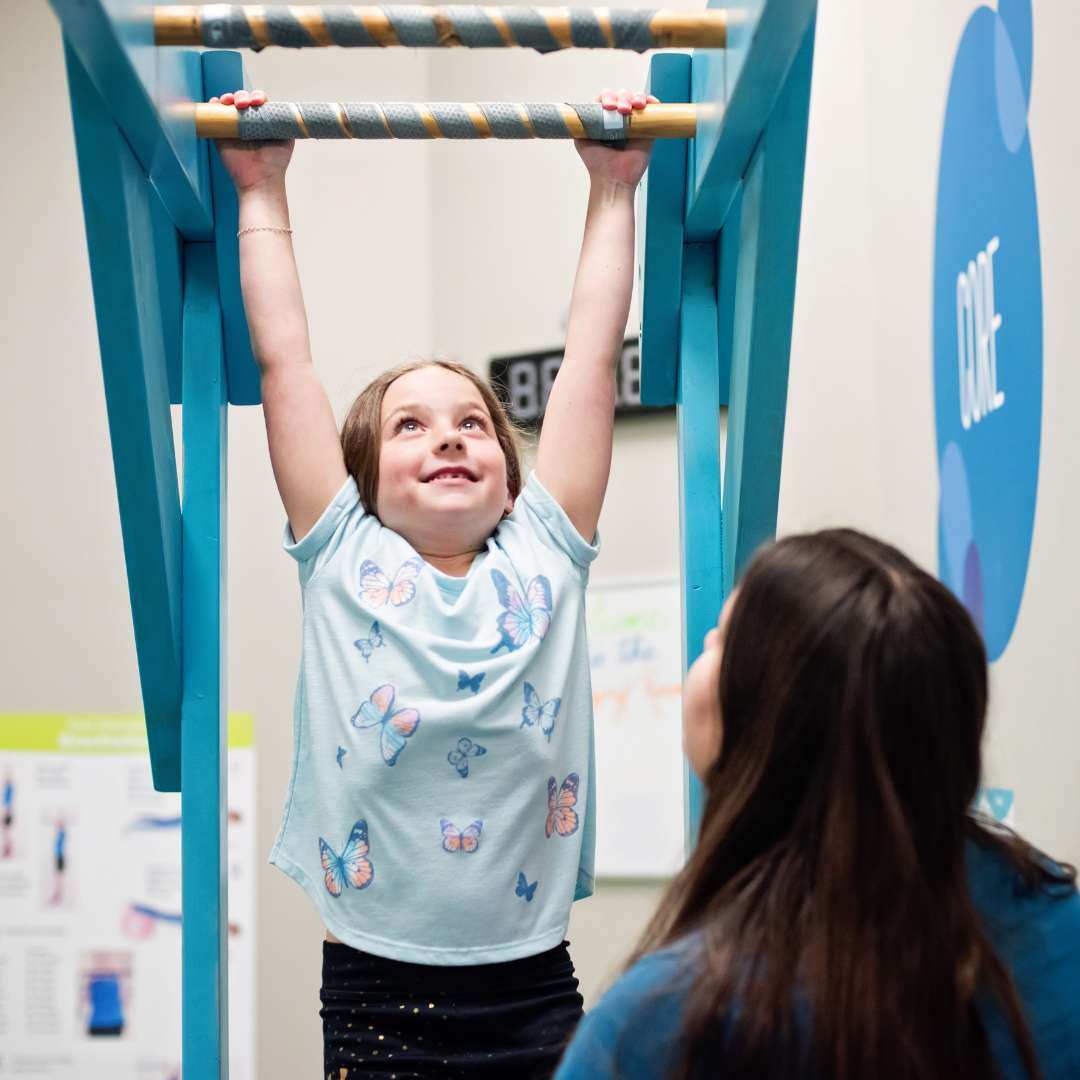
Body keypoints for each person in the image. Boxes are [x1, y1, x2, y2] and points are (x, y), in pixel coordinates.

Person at [213, 86, 658, 1077]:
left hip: (534, 985)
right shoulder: (342, 556)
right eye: (410, 426)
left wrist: (613, 188)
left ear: (509, 480)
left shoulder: (544, 550)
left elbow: (590, 361)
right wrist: (262, 190)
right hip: (378, 994)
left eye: (470, 423)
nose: (447, 435)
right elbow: (286, 364)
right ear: (363, 480)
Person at [556, 529, 1080, 1079]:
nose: (704, 649)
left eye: (721, 641)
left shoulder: (663, 1025)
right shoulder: (1054, 918)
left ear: (767, 726)